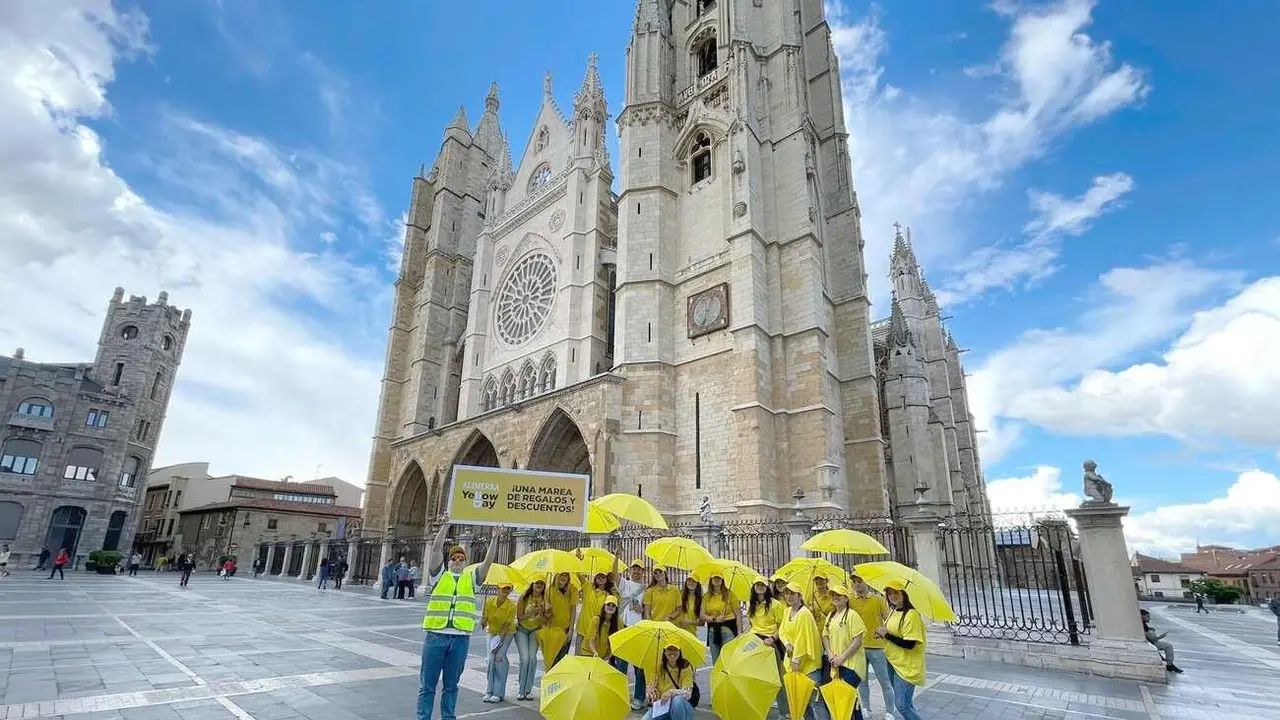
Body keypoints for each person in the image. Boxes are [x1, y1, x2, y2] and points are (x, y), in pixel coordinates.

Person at [417, 518, 504, 720]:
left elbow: (488, 562)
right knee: (427, 685)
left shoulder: (471, 579)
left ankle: (448, 717)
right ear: (448, 562)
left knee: (451, 686)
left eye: (461, 559)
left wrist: (495, 539)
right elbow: (436, 549)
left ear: (465, 562)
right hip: (435, 636)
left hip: (459, 640)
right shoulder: (439, 576)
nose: (457, 561)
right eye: (454, 558)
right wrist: (445, 527)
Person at [780, 582, 829, 720]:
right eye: (787, 593)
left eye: (793, 594)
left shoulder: (804, 614)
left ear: (799, 596)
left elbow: (803, 639)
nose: (789, 597)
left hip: (808, 664)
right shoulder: (786, 611)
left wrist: (796, 659)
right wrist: (787, 643)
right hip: (792, 661)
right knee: (802, 701)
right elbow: (782, 631)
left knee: (816, 700)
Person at [848, 574, 895, 718]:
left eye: (860, 581)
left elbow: (888, 619)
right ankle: (866, 708)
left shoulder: (878, 599)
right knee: (862, 681)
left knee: (884, 681)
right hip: (859, 647)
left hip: (877, 647)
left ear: (866, 582)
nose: (857, 584)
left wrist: (883, 631)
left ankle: (889, 711)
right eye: (854, 582)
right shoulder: (850, 601)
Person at [877, 581, 925, 720]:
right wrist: (882, 633)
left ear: (904, 594)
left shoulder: (911, 615)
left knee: (902, 705)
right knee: (907, 704)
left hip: (907, 666)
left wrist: (887, 635)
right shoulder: (893, 611)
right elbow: (892, 633)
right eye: (889, 593)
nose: (892, 596)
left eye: (896, 593)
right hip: (893, 662)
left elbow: (910, 644)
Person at [823, 585, 867, 720]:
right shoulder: (831, 615)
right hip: (835, 664)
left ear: (846, 598)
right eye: (833, 595)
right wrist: (830, 654)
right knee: (850, 700)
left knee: (846, 698)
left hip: (851, 665)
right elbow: (825, 636)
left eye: (839, 595)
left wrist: (842, 657)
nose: (835, 598)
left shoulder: (852, 615)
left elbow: (857, 641)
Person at [618, 560, 649, 710]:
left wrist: (642, 609)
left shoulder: (646, 589)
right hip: (624, 629)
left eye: (639, 569)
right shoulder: (625, 584)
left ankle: (639, 698)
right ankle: (620, 696)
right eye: (634, 568)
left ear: (643, 572)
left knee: (639, 668)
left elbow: (648, 608)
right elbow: (614, 576)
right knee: (621, 666)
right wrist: (616, 557)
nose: (636, 571)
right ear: (630, 570)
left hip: (639, 630)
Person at [514, 577, 551, 701]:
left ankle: (528, 690)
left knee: (532, 659)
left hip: (535, 631)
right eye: (537, 583)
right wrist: (531, 613)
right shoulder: (523, 598)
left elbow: (545, 621)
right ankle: (521, 690)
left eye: (541, 583)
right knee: (524, 659)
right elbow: (519, 618)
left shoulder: (545, 600)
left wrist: (543, 613)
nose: (539, 585)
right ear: (532, 584)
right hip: (522, 630)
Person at [481, 582, 517, 703]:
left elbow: (507, 625)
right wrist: (483, 620)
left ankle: (498, 692)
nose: (505, 592)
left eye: (508, 590)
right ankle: (489, 690)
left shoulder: (511, 605)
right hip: (492, 631)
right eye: (503, 589)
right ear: (498, 590)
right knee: (491, 659)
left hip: (506, 633)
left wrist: (498, 641)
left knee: (499, 657)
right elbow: (485, 621)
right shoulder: (489, 602)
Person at [642, 644, 695, 720]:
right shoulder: (658, 667)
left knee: (677, 701)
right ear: (664, 652)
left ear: (679, 652)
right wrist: (651, 695)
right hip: (663, 706)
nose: (672, 653)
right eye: (669, 650)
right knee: (645, 719)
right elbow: (650, 688)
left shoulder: (686, 667)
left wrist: (671, 692)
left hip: (681, 708)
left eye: (675, 650)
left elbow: (688, 693)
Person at [576, 569, 616, 654]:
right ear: (595, 578)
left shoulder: (609, 595)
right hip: (583, 629)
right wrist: (577, 558)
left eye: (603, 577)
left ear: (606, 579)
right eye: (598, 577)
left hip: (596, 633)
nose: (600, 579)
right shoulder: (588, 587)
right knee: (578, 659)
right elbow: (578, 573)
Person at [702, 573, 739, 663]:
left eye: (719, 577)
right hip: (713, 631)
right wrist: (714, 619)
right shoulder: (706, 596)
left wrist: (740, 631)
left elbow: (738, 614)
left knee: (727, 661)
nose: (717, 579)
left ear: (723, 580)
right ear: (711, 579)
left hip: (729, 630)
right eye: (715, 577)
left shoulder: (730, 594)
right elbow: (702, 615)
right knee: (716, 662)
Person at [585, 596, 623, 672]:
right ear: (604, 606)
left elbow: (616, 642)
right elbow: (591, 640)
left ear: (616, 609)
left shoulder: (618, 623)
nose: (610, 607)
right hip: (589, 653)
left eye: (613, 605)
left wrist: (609, 655)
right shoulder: (596, 619)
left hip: (603, 656)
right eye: (608, 604)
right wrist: (595, 652)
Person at [547, 571, 578, 665]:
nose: (564, 577)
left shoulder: (573, 589)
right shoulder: (549, 590)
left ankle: (558, 680)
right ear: (556, 575)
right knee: (551, 660)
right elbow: (545, 614)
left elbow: (573, 611)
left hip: (565, 629)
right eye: (562, 575)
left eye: (566, 575)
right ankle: (550, 679)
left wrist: (571, 630)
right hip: (552, 630)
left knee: (562, 660)